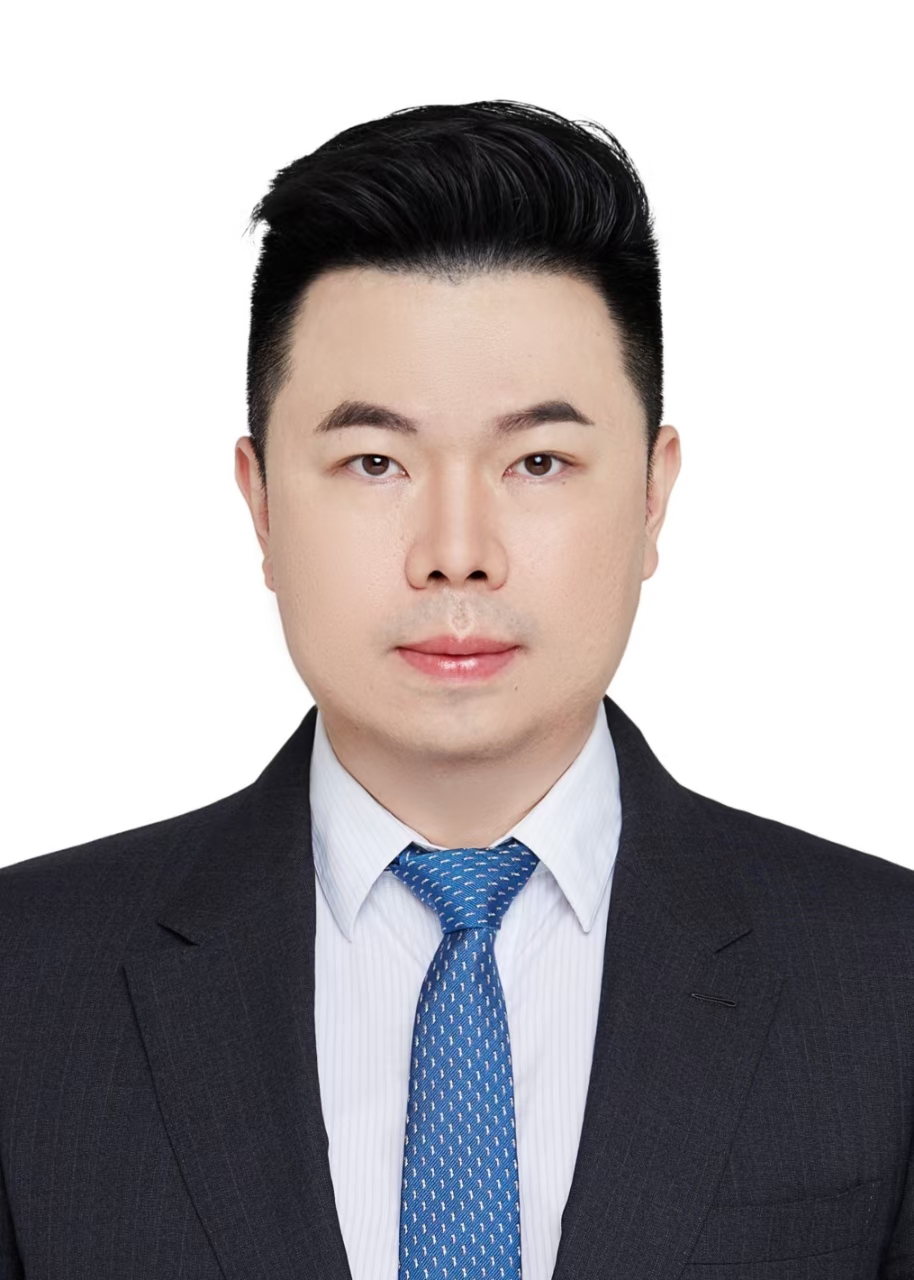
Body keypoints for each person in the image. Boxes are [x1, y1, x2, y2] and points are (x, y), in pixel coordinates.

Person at [0, 99, 910, 1280]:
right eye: (374, 461)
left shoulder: (884, 978)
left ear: (652, 496)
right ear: (261, 503)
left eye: (538, 460)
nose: (455, 551)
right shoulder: (27, 985)